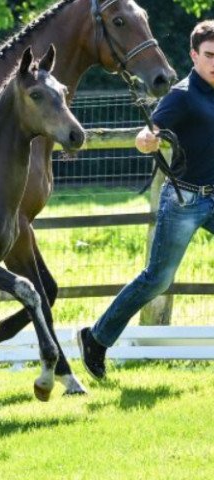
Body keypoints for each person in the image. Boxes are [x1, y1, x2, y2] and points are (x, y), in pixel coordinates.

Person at [77, 20, 214, 379]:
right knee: (157, 280)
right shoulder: (182, 95)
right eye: (210, 55)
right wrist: (146, 141)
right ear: (193, 55)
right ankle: (96, 338)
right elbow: (148, 132)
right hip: (185, 200)